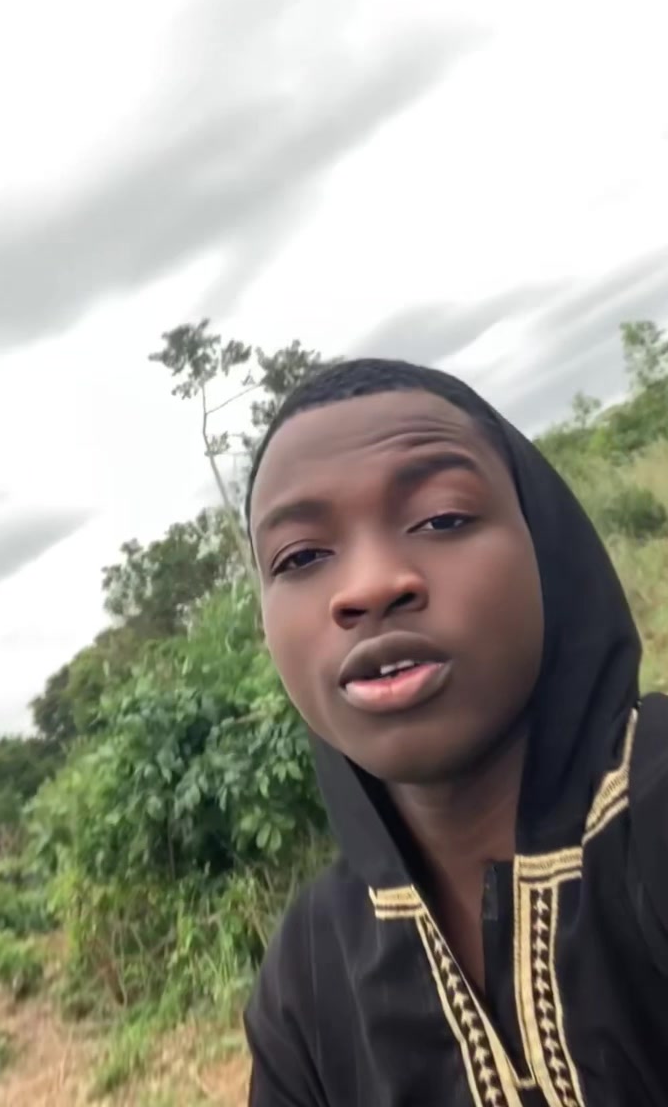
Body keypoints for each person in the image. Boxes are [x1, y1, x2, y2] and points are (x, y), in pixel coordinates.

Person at [242, 358, 668, 1106]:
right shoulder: (305, 980)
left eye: (442, 517)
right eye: (301, 556)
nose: (370, 587)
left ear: (545, 545)